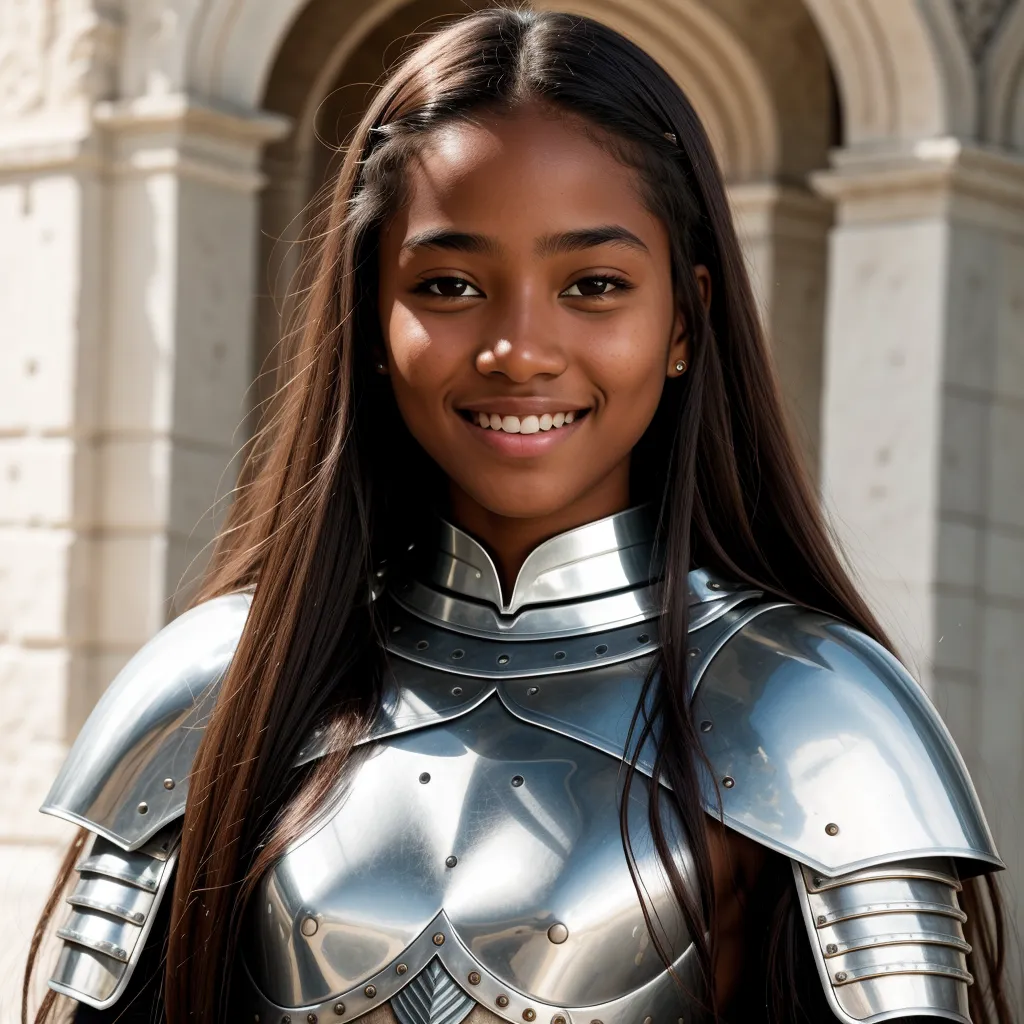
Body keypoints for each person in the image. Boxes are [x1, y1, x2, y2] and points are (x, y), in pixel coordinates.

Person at [24, 9, 1011, 1024]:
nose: (519, 349)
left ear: (683, 317)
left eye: (593, 285)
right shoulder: (221, 682)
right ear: (371, 316)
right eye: (450, 285)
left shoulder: (814, 715)